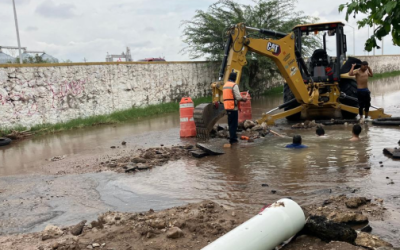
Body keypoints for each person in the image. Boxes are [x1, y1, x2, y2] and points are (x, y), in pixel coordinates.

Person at [223, 72, 247, 144]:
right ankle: (233, 139)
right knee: (234, 124)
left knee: (230, 123)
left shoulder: (225, 85)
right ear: (235, 78)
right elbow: (238, 97)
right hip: (233, 107)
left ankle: (232, 137)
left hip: (227, 107)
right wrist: (244, 99)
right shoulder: (234, 85)